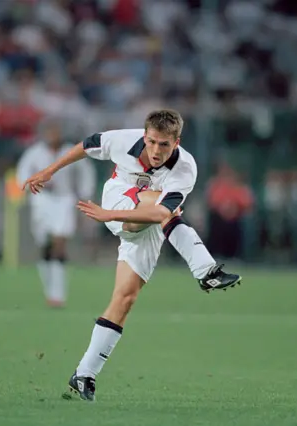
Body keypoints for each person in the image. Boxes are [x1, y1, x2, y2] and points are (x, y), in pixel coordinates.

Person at [23, 109, 241, 401]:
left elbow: (159, 214)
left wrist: (105, 216)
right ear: (144, 135)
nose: (155, 150)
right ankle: (206, 271)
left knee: (124, 299)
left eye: (164, 144)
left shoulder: (185, 168)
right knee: (165, 206)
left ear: (176, 142)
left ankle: (84, 374)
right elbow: (87, 145)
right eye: (151, 142)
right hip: (119, 195)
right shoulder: (124, 140)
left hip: (145, 220)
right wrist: (50, 171)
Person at [16, 120, 96, 308]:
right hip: (41, 201)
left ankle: (58, 294)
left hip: (64, 200)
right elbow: (22, 173)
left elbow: (86, 172)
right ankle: (49, 288)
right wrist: (29, 187)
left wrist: (84, 194)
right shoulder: (34, 153)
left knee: (59, 243)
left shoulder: (70, 150)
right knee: (45, 245)